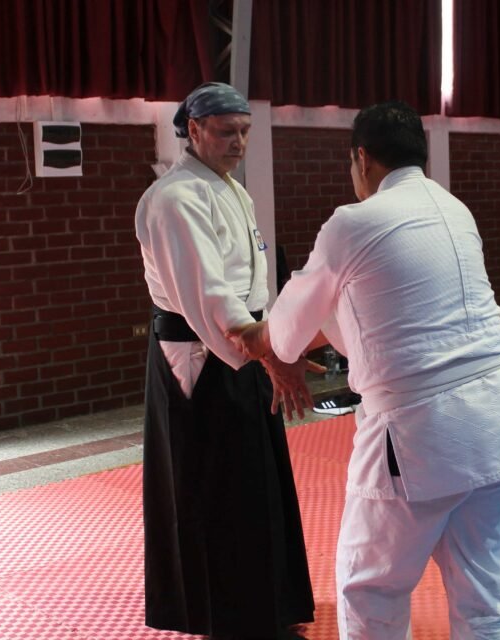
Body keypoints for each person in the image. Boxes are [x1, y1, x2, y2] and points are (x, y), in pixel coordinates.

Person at [229, 102, 500, 639]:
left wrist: (257, 336)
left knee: (370, 587)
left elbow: (283, 333)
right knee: (484, 589)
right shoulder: (454, 209)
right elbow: (369, 307)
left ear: (362, 158)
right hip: (499, 426)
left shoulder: (354, 222)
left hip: (420, 432)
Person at [134, 82, 315, 638]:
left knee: (254, 481)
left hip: (248, 342)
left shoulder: (231, 189)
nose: (237, 142)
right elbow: (209, 295)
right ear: (193, 130)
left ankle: (266, 604)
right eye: (225, 131)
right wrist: (264, 348)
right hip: (203, 354)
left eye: (244, 132)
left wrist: (270, 342)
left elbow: (250, 279)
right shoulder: (174, 198)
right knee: (215, 486)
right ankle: (227, 616)